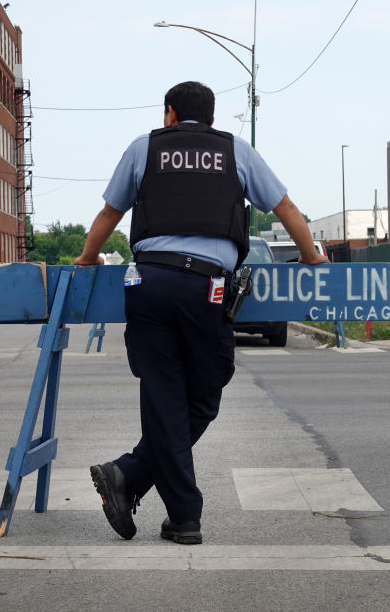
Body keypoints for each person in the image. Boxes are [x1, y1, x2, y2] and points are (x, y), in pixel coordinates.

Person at [74, 81, 328, 545]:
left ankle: (130, 475)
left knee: (164, 396)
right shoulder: (235, 152)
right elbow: (285, 206)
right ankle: (181, 514)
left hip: (149, 285)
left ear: (169, 113)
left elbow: (110, 213)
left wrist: (88, 258)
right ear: (211, 118)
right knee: (203, 396)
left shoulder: (143, 147)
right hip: (206, 289)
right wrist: (312, 257)